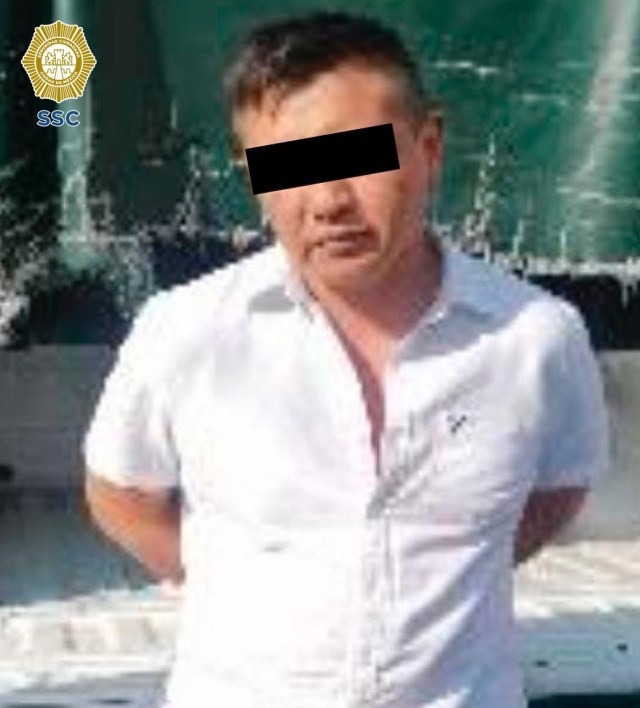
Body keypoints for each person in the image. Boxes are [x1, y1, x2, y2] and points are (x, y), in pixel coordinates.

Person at [82, 11, 610, 708]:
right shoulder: (184, 333)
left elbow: (554, 495)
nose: (328, 201)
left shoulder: (537, 339)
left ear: (429, 146)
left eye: (360, 158)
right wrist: (242, 587)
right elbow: (121, 497)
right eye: (289, 167)